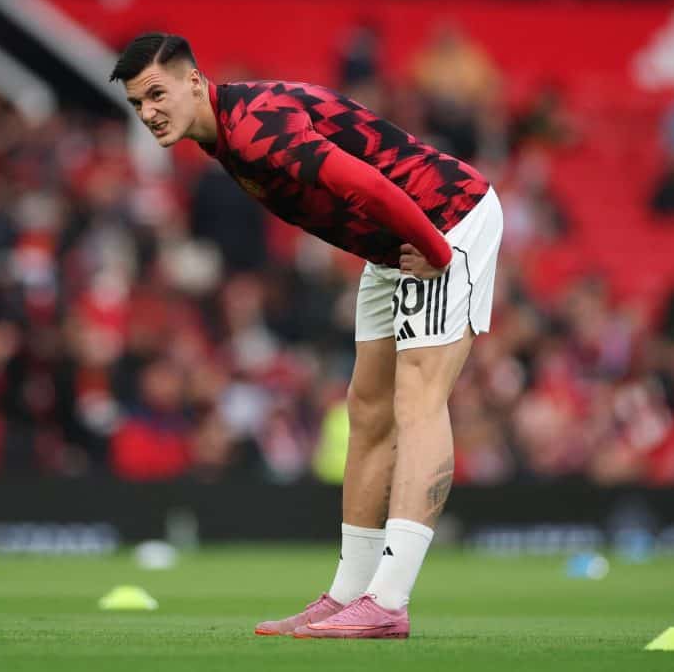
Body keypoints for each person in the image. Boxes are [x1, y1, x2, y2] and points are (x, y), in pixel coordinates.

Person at [110, 33, 503, 640]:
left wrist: (436, 254)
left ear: (194, 81)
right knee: (367, 410)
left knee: (417, 399)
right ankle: (350, 594)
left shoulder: (254, 129)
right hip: (392, 244)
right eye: (139, 104)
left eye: (157, 94)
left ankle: (389, 602)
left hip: (442, 220)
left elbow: (366, 185)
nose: (150, 112)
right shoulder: (225, 135)